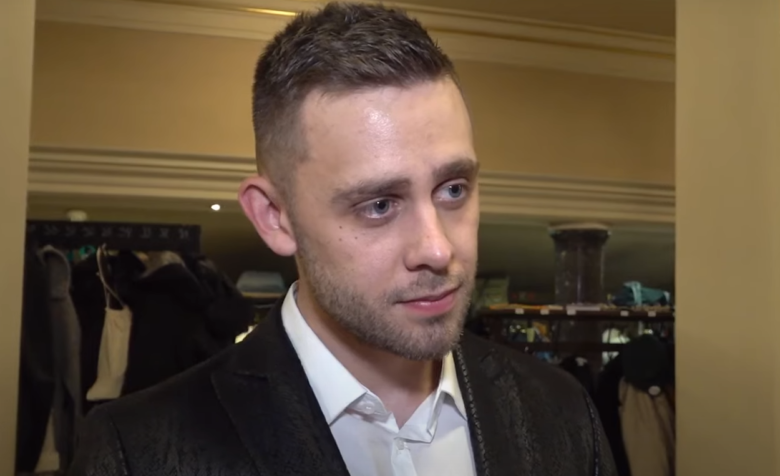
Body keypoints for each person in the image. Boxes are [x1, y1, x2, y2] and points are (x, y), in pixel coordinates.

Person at [69, 3, 617, 475]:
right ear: (274, 218)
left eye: (453, 189)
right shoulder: (138, 450)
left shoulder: (561, 409)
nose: (437, 249)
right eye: (379, 205)